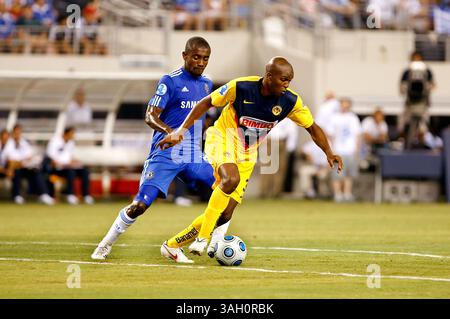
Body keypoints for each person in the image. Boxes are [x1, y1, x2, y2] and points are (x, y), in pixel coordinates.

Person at [158, 56, 343, 257]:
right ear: (269, 76)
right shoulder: (240, 87)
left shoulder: (290, 101)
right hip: (222, 137)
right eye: (283, 79)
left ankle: (173, 245)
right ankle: (203, 239)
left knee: (226, 211)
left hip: (248, 151)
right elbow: (205, 103)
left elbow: (312, 128)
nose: (287, 84)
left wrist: (329, 152)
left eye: (289, 80)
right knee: (231, 179)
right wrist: (181, 130)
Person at [91, 37, 237, 263]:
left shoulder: (207, 83)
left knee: (225, 193)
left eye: (205, 58)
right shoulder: (170, 81)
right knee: (140, 205)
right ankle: (105, 244)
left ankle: (195, 243)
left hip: (191, 155)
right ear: (185, 56)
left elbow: (200, 116)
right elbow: (150, 115)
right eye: (196, 57)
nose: (200, 62)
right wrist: (171, 131)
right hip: (165, 154)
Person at [1, 124, 55, 205]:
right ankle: (16, 195)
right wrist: (20, 162)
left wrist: (24, 162)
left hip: (23, 167)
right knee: (17, 171)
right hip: (11, 168)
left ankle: (44, 194)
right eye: (16, 132)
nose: (18, 134)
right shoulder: (9, 143)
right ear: (13, 132)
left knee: (36, 172)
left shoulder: (24, 143)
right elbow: (10, 160)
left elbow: (29, 157)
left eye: (19, 132)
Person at [43, 126, 94, 205]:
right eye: (72, 134)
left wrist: (76, 162)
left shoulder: (71, 143)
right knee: (71, 172)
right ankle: (70, 195)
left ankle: (86, 195)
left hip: (68, 167)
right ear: (65, 134)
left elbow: (69, 158)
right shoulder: (55, 141)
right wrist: (65, 164)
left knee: (85, 171)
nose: (73, 136)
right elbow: (52, 159)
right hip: (57, 169)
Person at [399, 51, 436, 149]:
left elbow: (433, 85)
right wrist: (406, 88)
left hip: (423, 104)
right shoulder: (407, 72)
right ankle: (406, 146)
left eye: (418, 59)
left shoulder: (427, 71)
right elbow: (401, 89)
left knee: (423, 128)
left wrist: (427, 88)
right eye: (414, 59)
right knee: (404, 125)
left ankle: (423, 146)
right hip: (410, 104)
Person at [328, 98, 361, 203]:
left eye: (347, 105)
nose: (345, 107)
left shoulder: (353, 118)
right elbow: (330, 134)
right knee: (337, 174)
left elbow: (358, 134)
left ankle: (347, 193)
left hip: (350, 150)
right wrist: (331, 150)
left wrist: (357, 149)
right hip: (338, 150)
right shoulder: (334, 117)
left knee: (349, 174)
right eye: (343, 105)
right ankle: (338, 194)